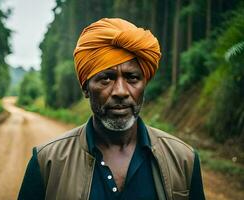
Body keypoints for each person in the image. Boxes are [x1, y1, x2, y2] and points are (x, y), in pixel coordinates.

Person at [18, 18, 205, 200]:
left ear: (144, 85)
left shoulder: (183, 160)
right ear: (85, 88)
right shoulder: (47, 163)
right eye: (106, 78)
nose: (121, 92)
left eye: (132, 77)